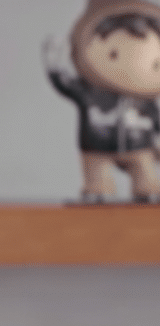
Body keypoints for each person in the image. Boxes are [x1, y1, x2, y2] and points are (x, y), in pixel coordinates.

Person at [44, 0, 160, 203]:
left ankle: (147, 189)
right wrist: (54, 64)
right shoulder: (90, 94)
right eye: (114, 54)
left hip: (139, 147)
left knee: (145, 174)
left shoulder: (144, 101)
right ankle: (98, 191)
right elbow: (66, 85)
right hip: (97, 146)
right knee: (97, 177)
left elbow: (156, 121)